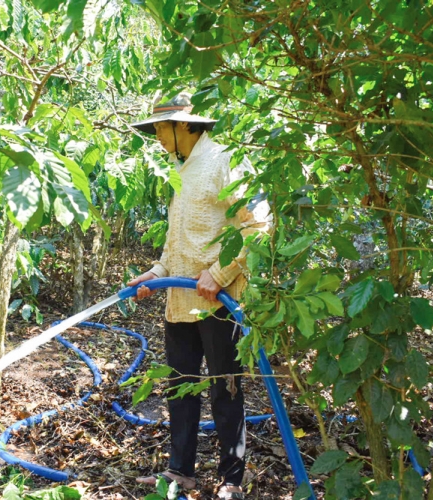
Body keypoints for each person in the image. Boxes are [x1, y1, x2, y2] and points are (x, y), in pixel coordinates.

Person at [128, 93, 270, 500]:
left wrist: (220, 273)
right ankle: (180, 472)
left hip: (218, 302)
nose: (156, 137)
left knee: (225, 388)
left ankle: (231, 480)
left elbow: (258, 225)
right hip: (179, 299)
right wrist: (155, 273)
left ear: (185, 126)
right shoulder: (182, 169)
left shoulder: (224, 160)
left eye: (160, 128)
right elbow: (179, 243)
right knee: (180, 385)